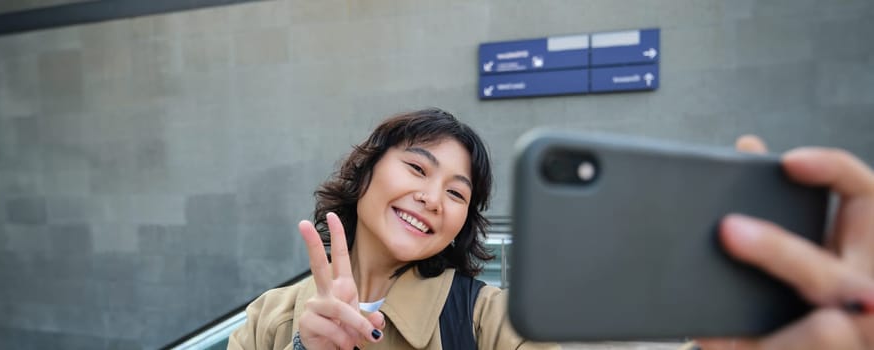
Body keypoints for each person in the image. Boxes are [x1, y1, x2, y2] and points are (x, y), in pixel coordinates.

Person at [228, 108, 874, 350]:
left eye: (458, 193)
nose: (432, 198)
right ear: (364, 172)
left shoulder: (487, 321)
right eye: (417, 168)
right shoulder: (268, 317)